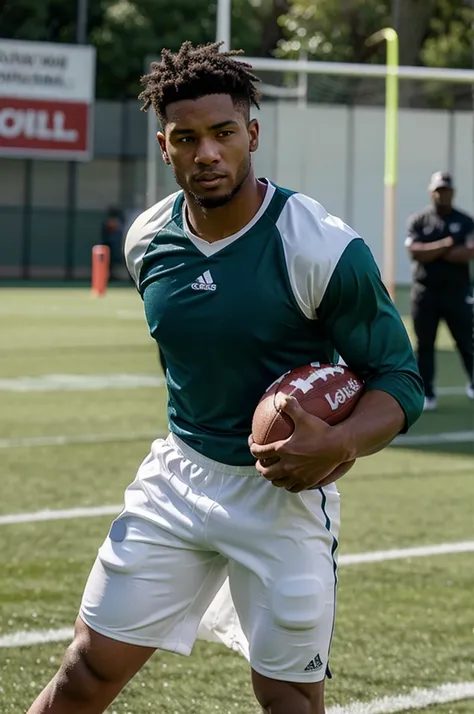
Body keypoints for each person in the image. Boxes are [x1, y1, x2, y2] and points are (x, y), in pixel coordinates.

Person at [27, 42, 424, 714]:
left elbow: (400, 379)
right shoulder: (146, 241)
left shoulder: (320, 247)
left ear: (252, 135)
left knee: (288, 699)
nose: (206, 153)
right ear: (165, 147)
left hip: (283, 498)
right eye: (187, 139)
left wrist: (343, 441)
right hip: (178, 479)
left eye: (222, 134)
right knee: (85, 672)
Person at [405, 171, 474, 411]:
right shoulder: (419, 220)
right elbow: (415, 252)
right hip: (425, 293)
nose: (441, 194)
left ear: (452, 192)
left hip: (457, 292)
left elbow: (466, 253)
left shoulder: (465, 221)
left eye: (446, 190)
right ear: (431, 192)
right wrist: (446, 244)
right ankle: (427, 392)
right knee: (424, 344)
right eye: (438, 190)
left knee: (467, 340)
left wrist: (431, 252)